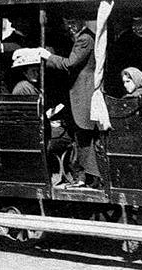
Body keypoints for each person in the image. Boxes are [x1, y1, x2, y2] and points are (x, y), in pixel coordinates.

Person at [38, 18, 100, 188]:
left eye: (73, 22)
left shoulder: (84, 39)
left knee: (84, 136)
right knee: (81, 136)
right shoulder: (83, 37)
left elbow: (70, 63)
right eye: (67, 23)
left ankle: (88, 177)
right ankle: (83, 176)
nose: (70, 26)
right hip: (79, 93)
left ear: (82, 22)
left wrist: (48, 56)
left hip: (82, 93)